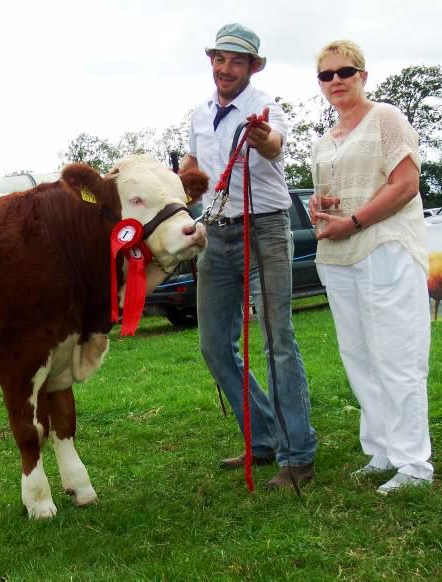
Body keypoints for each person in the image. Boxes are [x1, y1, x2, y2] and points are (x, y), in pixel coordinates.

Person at [180, 23, 316, 489]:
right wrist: (178, 182)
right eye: (220, 59)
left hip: (266, 231)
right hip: (216, 233)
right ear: (211, 61)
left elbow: (275, 145)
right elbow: (193, 167)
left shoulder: (266, 107)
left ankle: (298, 455)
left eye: (237, 61)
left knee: (278, 341)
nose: (226, 68)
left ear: (252, 67)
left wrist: (262, 137)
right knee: (214, 345)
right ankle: (262, 438)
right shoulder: (199, 114)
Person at [310, 40, 433, 494]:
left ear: (363, 75)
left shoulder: (386, 118)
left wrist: (355, 221)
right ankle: (382, 451)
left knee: (397, 356)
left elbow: (405, 184)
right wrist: (320, 208)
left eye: (345, 71)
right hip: (338, 257)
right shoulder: (325, 140)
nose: (336, 81)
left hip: (385, 247)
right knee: (359, 357)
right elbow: (331, 196)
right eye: (326, 75)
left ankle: (414, 464)